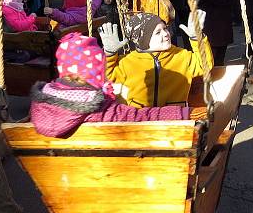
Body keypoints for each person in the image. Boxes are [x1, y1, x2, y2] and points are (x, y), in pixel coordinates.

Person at [29, 33, 193, 138]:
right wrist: (184, 113)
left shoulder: (39, 106)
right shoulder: (100, 110)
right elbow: (142, 117)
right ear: (95, 70)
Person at [99, 10, 212, 107]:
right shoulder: (128, 62)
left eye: (165, 28)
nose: (166, 34)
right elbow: (107, 77)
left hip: (175, 116)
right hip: (140, 118)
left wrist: (196, 38)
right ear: (143, 40)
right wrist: (109, 54)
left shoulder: (180, 55)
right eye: (158, 32)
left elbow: (205, 65)